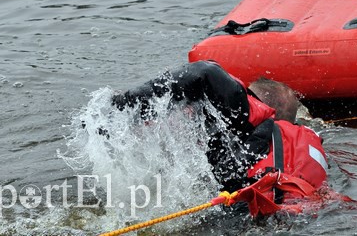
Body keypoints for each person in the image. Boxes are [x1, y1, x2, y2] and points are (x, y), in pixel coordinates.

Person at [110, 60, 328, 200]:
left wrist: (123, 105)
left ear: (258, 104)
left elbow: (205, 72)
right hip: (301, 215)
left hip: (246, 211)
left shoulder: (254, 119)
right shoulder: (307, 142)